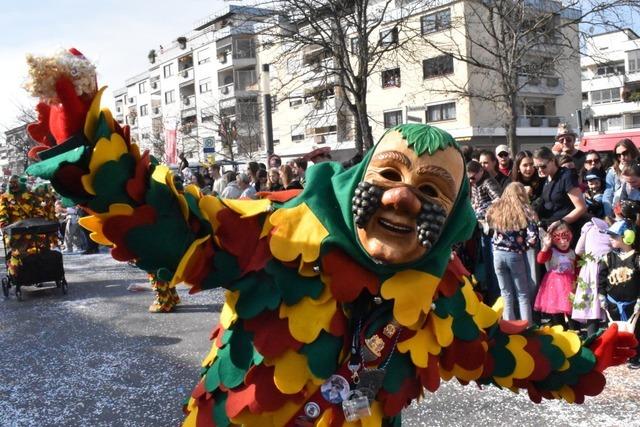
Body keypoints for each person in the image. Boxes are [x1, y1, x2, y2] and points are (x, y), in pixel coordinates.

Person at [24, 48, 636, 423]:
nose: (401, 198)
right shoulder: (279, 235)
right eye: (390, 177)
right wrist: (91, 147)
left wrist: (583, 358)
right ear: (354, 182)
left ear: (451, 221)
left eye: (431, 193)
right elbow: (171, 218)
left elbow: (498, 349)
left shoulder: (437, 293)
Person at [485, 182, 538, 325]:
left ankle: (509, 327)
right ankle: (527, 327)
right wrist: (524, 247)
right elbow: (533, 238)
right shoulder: (525, 210)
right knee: (522, 294)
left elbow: (485, 222)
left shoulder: (496, 208)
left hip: (497, 254)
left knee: (506, 293)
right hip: (515, 254)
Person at [598, 219, 640, 369]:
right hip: (613, 302)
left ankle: (635, 356)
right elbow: (601, 278)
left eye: (614, 236)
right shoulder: (608, 258)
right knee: (613, 329)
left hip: (632, 303)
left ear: (627, 237)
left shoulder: (637, 259)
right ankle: (615, 354)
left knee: (635, 331)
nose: (610, 239)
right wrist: (601, 295)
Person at [533, 147, 587, 244]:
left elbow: (581, 208)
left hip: (566, 232)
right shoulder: (547, 177)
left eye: (543, 166)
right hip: (550, 231)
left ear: (553, 160)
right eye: (537, 167)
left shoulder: (566, 176)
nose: (540, 170)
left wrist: (561, 222)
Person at [467, 160, 502, 305]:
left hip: (492, 229)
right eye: (468, 178)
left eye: (473, 177)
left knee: (493, 266)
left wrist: (480, 209)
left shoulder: (488, 183)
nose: (470, 181)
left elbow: (499, 200)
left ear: (481, 172)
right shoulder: (475, 184)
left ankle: (496, 298)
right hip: (481, 229)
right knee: (487, 265)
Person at [572, 217, 610, 337]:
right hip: (607, 268)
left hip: (589, 268)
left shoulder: (589, 229)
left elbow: (578, 250)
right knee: (607, 304)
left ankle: (591, 339)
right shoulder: (611, 229)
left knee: (590, 305)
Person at [534, 221, 577, 328]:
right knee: (556, 310)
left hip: (569, 285)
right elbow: (540, 259)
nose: (563, 242)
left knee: (571, 309)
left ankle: (575, 332)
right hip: (554, 286)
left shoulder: (572, 252)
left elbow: (576, 268)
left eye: (565, 239)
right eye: (559, 239)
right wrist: (545, 246)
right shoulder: (552, 251)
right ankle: (560, 331)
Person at [603, 139, 640, 218]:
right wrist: (611, 216)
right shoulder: (613, 171)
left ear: (632, 151)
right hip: (620, 212)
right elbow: (608, 195)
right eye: (618, 155)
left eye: (625, 153)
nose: (622, 157)